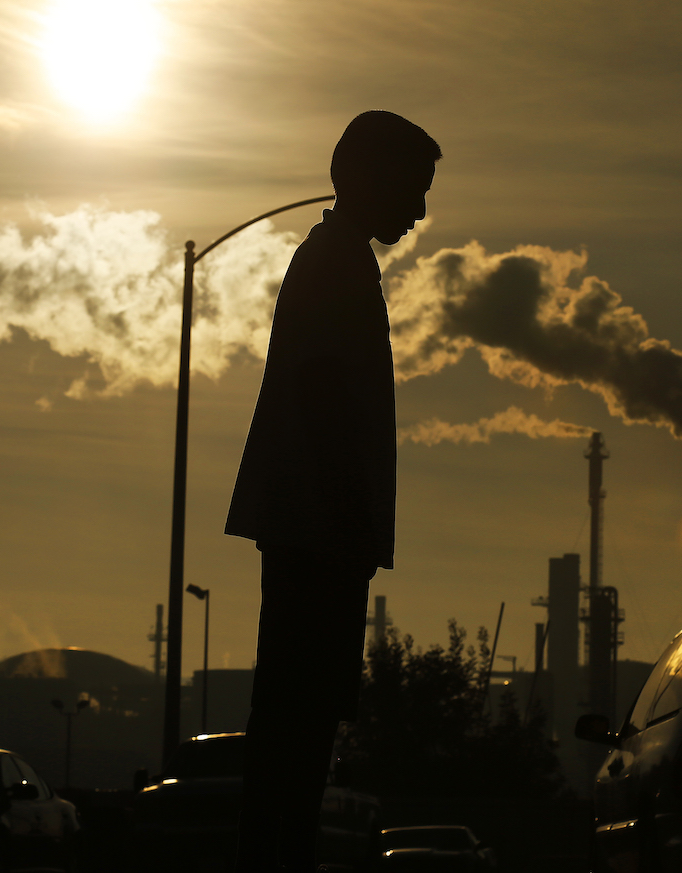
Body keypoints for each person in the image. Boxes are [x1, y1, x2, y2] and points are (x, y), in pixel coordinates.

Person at [226, 110, 440, 873]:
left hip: (315, 530)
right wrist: (348, 522)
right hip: (318, 535)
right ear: (368, 177)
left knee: (299, 718)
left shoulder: (339, 260)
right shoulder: (336, 264)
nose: (418, 210)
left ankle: (279, 853)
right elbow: (322, 394)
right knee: (299, 720)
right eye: (413, 189)